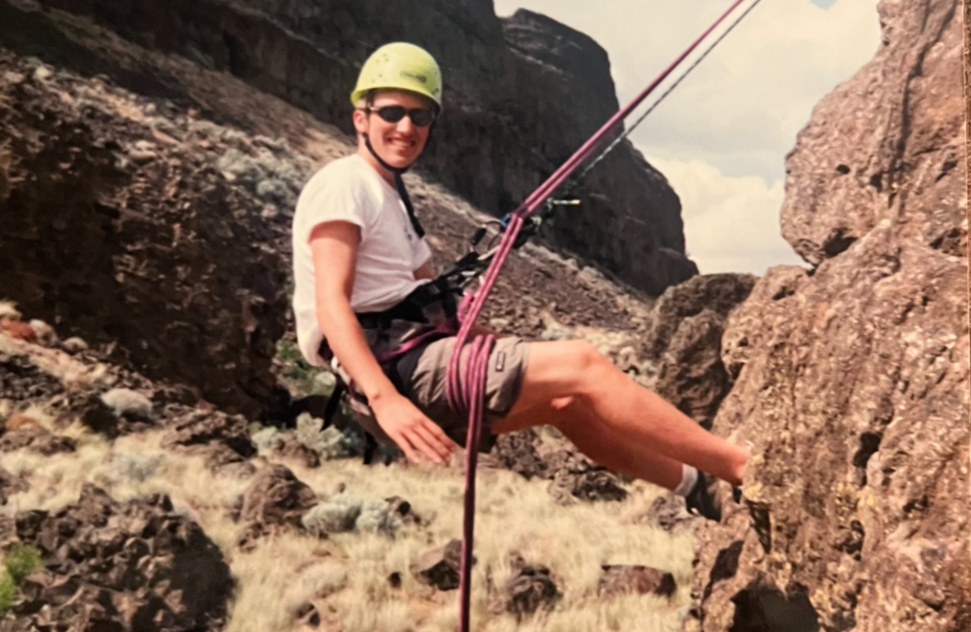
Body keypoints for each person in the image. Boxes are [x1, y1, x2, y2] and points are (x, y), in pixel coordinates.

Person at [291, 42, 749, 520]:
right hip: (394, 376)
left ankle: (697, 487)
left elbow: (418, 293)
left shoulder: (393, 198)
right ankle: (739, 466)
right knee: (582, 364)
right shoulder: (344, 183)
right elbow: (331, 304)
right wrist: (385, 400)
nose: (406, 127)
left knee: (568, 402)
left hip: (404, 369)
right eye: (391, 111)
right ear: (360, 118)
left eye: (421, 116)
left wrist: (469, 330)